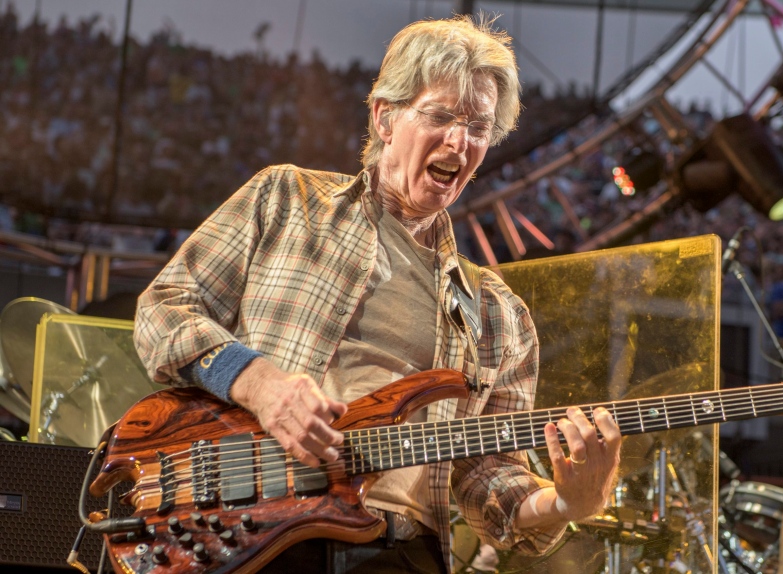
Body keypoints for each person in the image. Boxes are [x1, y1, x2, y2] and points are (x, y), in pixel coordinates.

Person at [132, 15, 621, 574]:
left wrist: (565, 501)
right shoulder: (285, 199)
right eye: (440, 116)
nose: (460, 142)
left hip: (398, 553)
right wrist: (260, 384)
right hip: (249, 529)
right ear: (385, 117)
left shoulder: (498, 313)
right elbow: (162, 311)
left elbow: (493, 482)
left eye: (478, 127)